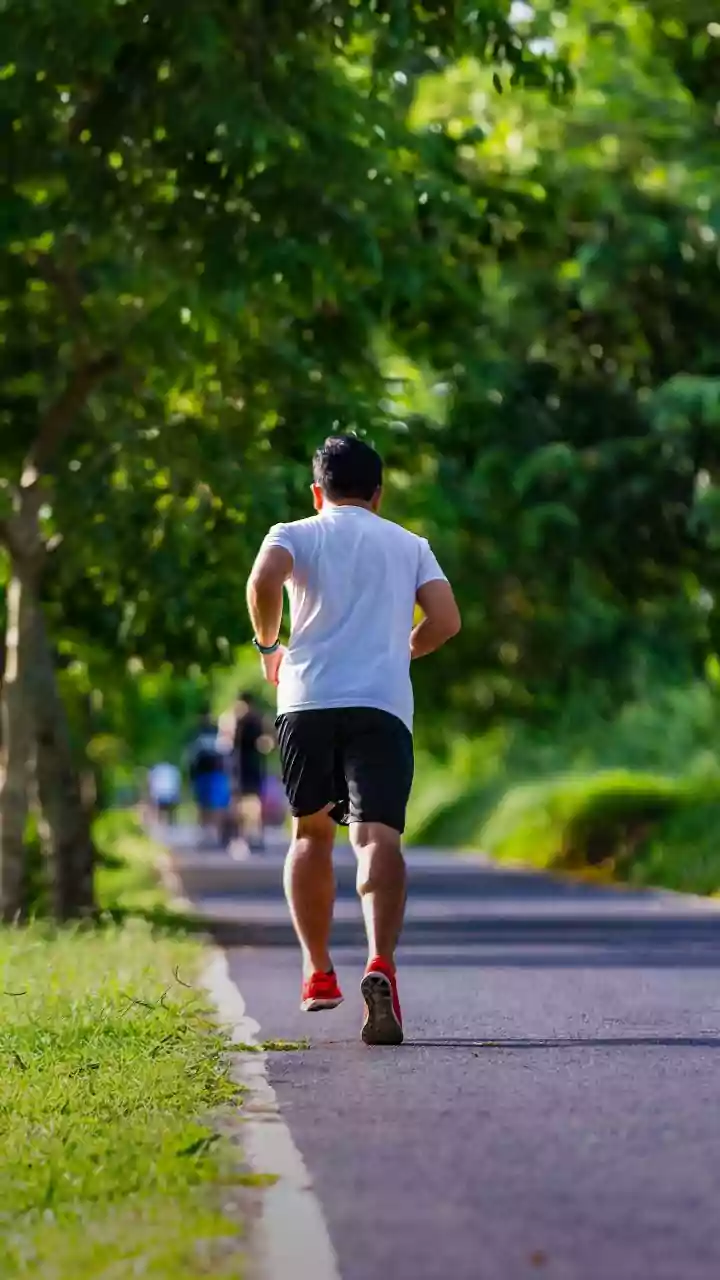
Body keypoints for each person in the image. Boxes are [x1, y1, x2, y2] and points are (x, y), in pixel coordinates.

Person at [246, 435, 460, 1045]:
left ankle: (318, 972)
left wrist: (269, 648)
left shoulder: (293, 533)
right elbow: (446, 621)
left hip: (307, 701)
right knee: (377, 837)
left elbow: (263, 583)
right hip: (382, 706)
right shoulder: (409, 544)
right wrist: (402, 650)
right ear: (378, 494)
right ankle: (380, 963)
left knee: (311, 834)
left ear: (318, 491)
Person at [231, 692, 272, 851]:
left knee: (245, 803)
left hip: (244, 766)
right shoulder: (259, 719)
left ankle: (247, 836)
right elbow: (267, 743)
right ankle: (254, 836)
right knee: (252, 802)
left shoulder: (240, 720)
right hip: (252, 765)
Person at [185, 708, 231, 844]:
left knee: (215, 804)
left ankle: (214, 833)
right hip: (203, 773)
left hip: (215, 772)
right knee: (204, 804)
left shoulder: (215, 731)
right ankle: (206, 833)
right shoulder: (196, 733)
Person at [147, 761, 181, 825]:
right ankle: (170, 822)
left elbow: (152, 783)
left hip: (160, 793)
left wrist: (152, 794)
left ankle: (162, 823)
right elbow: (177, 783)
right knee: (170, 809)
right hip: (170, 792)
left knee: (161, 809)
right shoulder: (173, 770)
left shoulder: (156, 770)